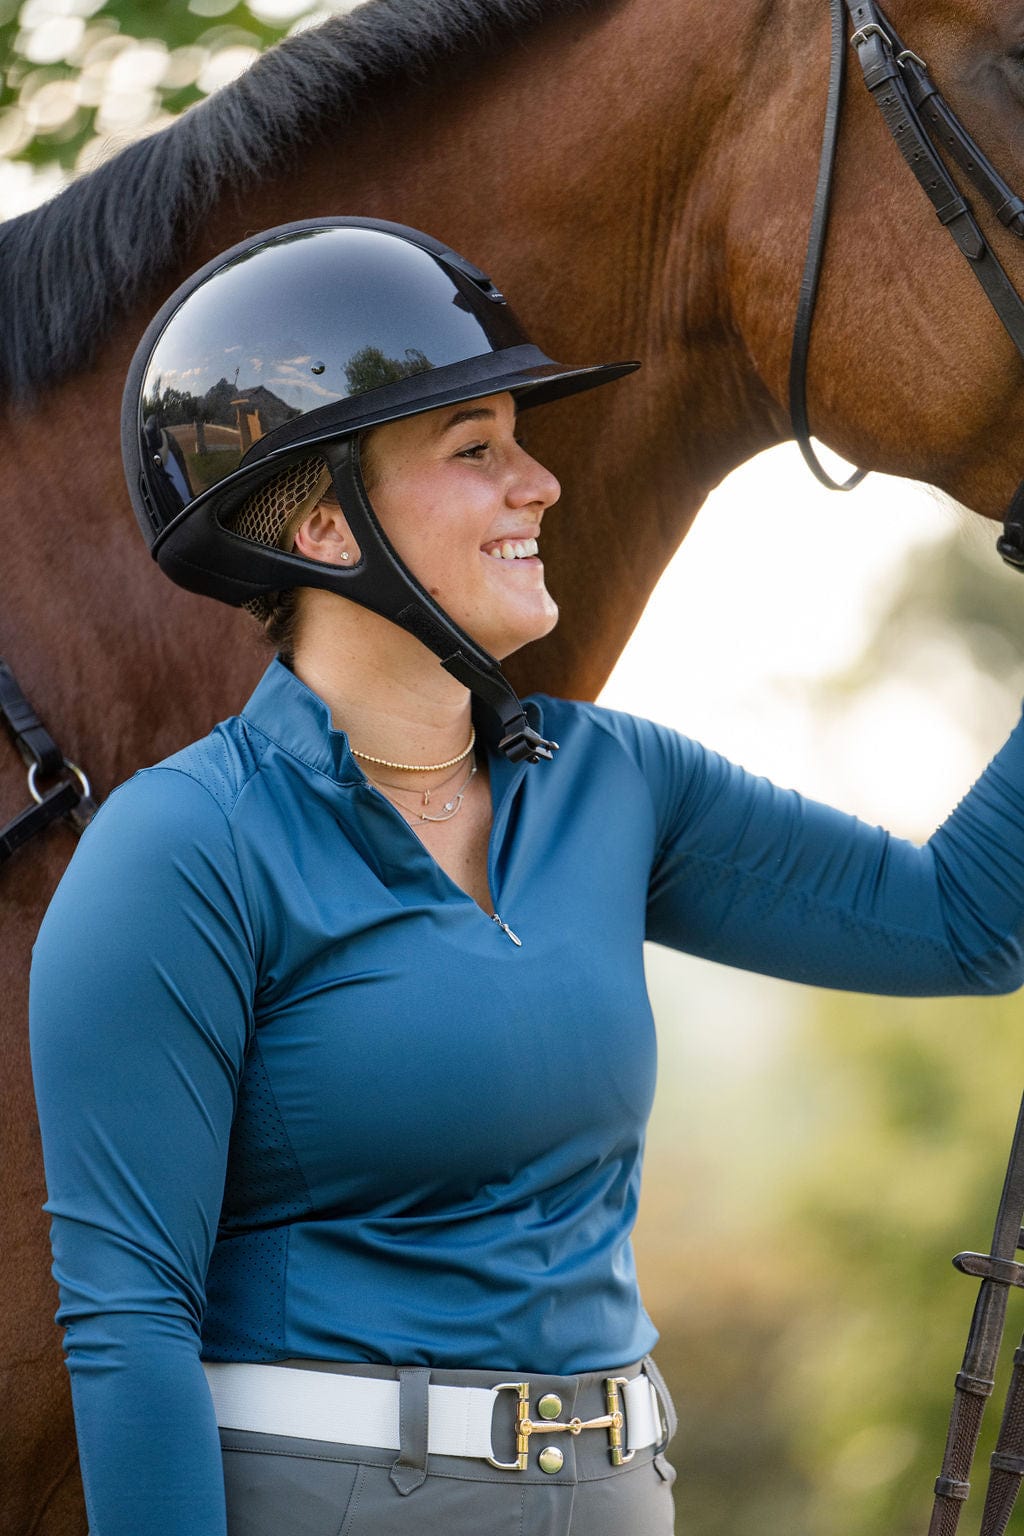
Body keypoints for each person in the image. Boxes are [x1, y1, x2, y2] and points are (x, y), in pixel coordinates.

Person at [28, 217, 1024, 1536]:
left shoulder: (616, 782)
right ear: (324, 522)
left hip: (619, 1489)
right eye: (477, 451)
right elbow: (128, 1324)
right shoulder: (180, 851)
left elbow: (964, 923)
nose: (542, 484)